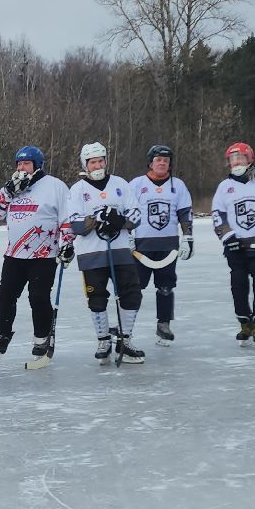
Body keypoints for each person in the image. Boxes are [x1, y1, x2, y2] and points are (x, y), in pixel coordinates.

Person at [0, 145, 72, 365]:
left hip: (44, 253)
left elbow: (67, 217)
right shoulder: (13, 186)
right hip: (15, 253)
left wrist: (67, 244)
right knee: (5, 294)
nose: (22, 168)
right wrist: (9, 191)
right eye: (19, 164)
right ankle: (1, 335)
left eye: (26, 164)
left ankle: (42, 338)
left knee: (38, 297)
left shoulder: (55, 186)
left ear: (37, 165)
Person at [69, 142, 145, 364]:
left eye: (101, 160)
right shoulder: (78, 190)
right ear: (86, 165)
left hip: (120, 251)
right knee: (97, 297)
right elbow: (75, 225)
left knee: (131, 294)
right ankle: (103, 340)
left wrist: (118, 221)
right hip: (91, 254)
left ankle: (125, 339)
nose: (98, 165)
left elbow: (136, 215)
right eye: (93, 162)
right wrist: (97, 220)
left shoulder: (120, 184)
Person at [211, 141, 255, 347]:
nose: (236, 162)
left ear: (250, 159)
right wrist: (228, 237)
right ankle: (244, 322)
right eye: (232, 159)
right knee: (238, 284)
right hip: (236, 249)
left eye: (240, 158)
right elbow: (218, 215)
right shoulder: (224, 187)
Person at [130, 144, 194, 345]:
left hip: (168, 247)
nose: (162, 163)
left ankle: (163, 324)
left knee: (165, 287)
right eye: (158, 160)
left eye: (166, 161)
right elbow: (128, 211)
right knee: (134, 288)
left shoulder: (178, 186)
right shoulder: (137, 184)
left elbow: (184, 214)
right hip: (141, 247)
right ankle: (126, 327)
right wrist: (128, 235)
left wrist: (188, 238)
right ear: (150, 162)